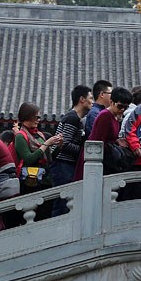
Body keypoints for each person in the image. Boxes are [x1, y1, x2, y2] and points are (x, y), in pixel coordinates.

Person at [48, 85, 92, 216]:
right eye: (90, 98)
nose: (92, 102)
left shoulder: (74, 118)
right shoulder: (73, 118)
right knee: (63, 201)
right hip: (63, 164)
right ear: (82, 99)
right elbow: (65, 144)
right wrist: (83, 151)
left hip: (64, 164)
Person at [14, 102, 64, 195]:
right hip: (30, 181)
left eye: (39, 117)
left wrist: (59, 145)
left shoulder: (39, 134)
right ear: (27, 116)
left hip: (45, 178)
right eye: (36, 117)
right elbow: (29, 159)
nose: (38, 120)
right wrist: (46, 143)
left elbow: (49, 158)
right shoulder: (20, 136)